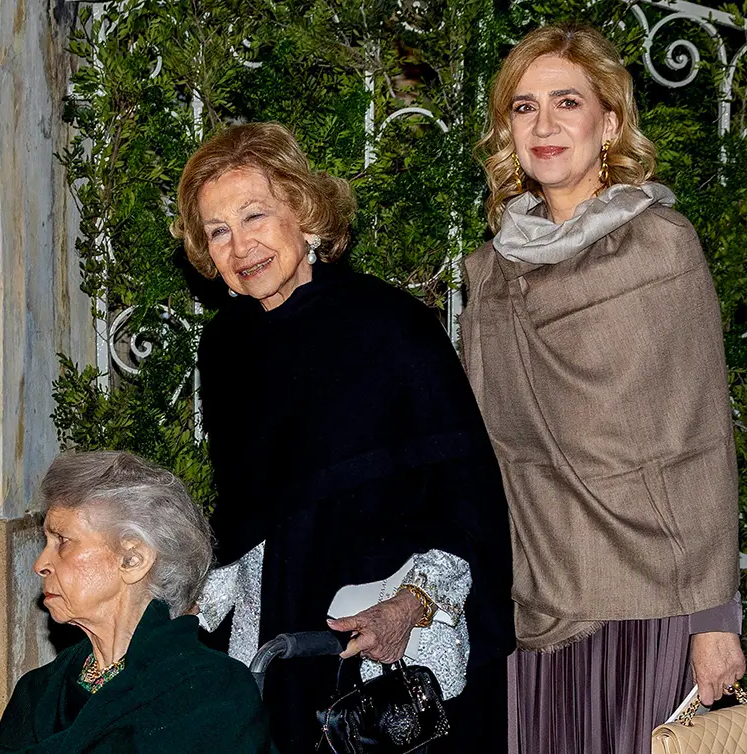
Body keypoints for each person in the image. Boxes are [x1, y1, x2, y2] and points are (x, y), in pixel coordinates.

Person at [172, 122, 515, 753]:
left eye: (255, 216)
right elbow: (251, 515)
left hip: (380, 643)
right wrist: (192, 605)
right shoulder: (225, 349)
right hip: (274, 629)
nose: (240, 245)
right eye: (218, 231)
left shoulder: (391, 328)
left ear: (304, 215)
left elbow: (466, 505)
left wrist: (411, 607)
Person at [461, 22, 747, 754]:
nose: (545, 124)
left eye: (567, 102)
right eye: (524, 108)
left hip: (652, 595)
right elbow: (486, 445)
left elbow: (701, 437)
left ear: (609, 122)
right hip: (539, 592)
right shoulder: (490, 275)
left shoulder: (660, 247)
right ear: (507, 130)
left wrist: (716, 620)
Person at [0, 451, 276, 754]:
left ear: (132, 560)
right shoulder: (39, 691)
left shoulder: (212, 691)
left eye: (62, 541)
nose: (40, 564)